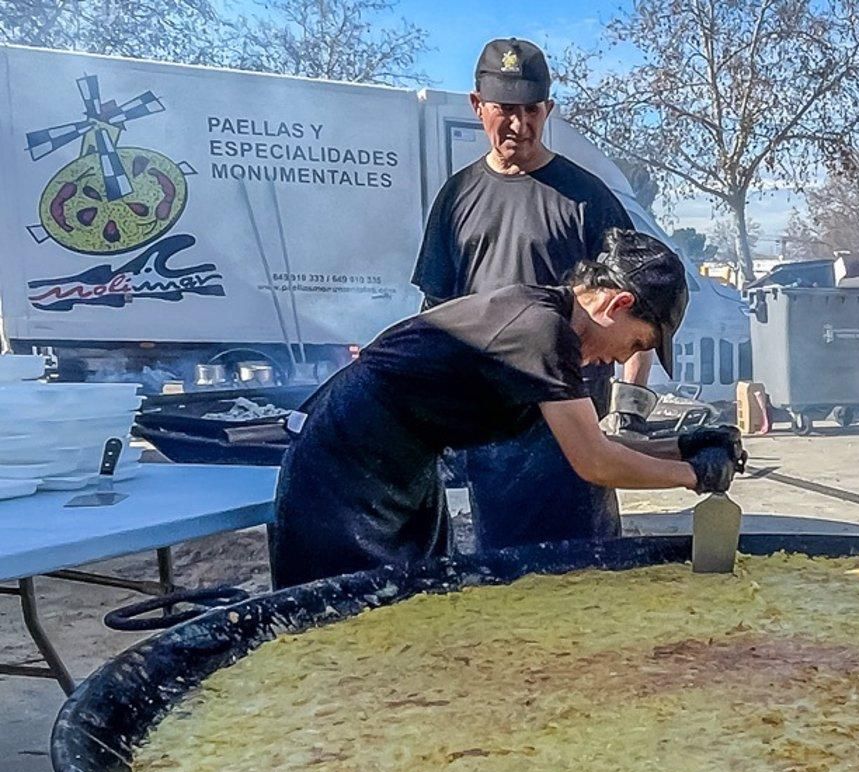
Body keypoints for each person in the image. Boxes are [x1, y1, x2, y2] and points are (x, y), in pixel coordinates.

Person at [271, 229, 743, 589]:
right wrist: (693, 475)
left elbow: (591, 444)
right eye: (637, 342)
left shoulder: (548, 327)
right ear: (618, 304)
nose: (623, 358)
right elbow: (594, 462)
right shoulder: (541, 331)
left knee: (422, 602)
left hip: (398, 465)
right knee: (347, 623)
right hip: (344, 470)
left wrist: (686, 445)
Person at [412, 38, 641, 553]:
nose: (519, 124)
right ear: (478, 107)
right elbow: (436, 314)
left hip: (573, 421)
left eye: (531, 110)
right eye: (505, 110)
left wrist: (630, 407)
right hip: (491, 433)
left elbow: (637, 309)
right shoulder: (456, 197)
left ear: (548, 109)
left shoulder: (588, 197)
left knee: (591, 572)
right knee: (505, 578)